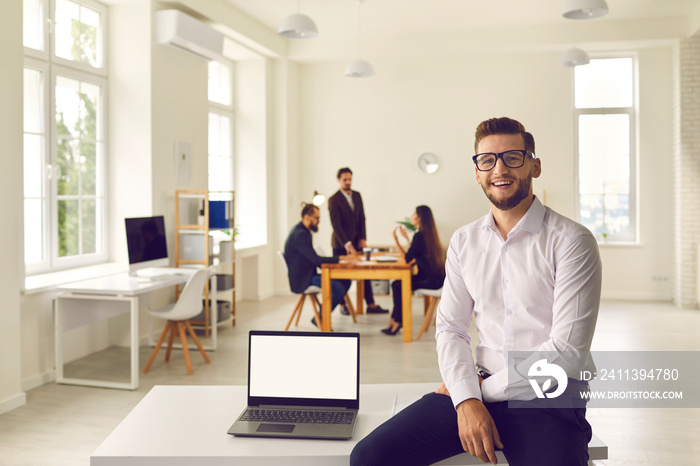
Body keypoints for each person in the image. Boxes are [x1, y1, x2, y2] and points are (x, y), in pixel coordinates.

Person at [351, 117, 602, 466]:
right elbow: (451, 328)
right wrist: (467, 399)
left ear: (535, 164)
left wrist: (474, 393)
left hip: (548, 399)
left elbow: (566, 354)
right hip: (478, 389)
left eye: (513, 157)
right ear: (477, 171)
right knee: (370, 457)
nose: (499, 168)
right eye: (487, 160)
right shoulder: (464, 241)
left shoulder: (572, 241)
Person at [328, 167, 388, 314]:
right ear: (338, 180)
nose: (348, 182)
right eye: (345, 180)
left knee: (366, 270)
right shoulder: (333, 200)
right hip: (341, 244)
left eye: (350, 179)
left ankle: (371, 304)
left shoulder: (357, 195)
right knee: (342, 276)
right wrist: (347, 244)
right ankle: (343, 306)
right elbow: (336, 225)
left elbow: (362, 218)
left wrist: (362, 238)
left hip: (357, 241)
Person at [283, 203, 352, 326]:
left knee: (346, 281)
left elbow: (313, 259)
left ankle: (320, 316)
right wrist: (339, 258)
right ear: (307, 217)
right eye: (316, 218)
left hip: (308, 275)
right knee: (338, 287)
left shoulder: (304, 231)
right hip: (303, 279)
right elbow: (315, 260)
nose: (318, 221)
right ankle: (322, 318)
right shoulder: (300, 235)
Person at [381, 205, 445, 336]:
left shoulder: (419, 236)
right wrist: (406, 239)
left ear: (420, 218)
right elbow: (415, 253)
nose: (412, 216)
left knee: (398, 285)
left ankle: (398, 321)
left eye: (414, 214)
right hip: (435, 278)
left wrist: (396, 240)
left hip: (432, 281)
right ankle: (395, 320)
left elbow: (407, 258)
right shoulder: (427, 234)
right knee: (397, 284)